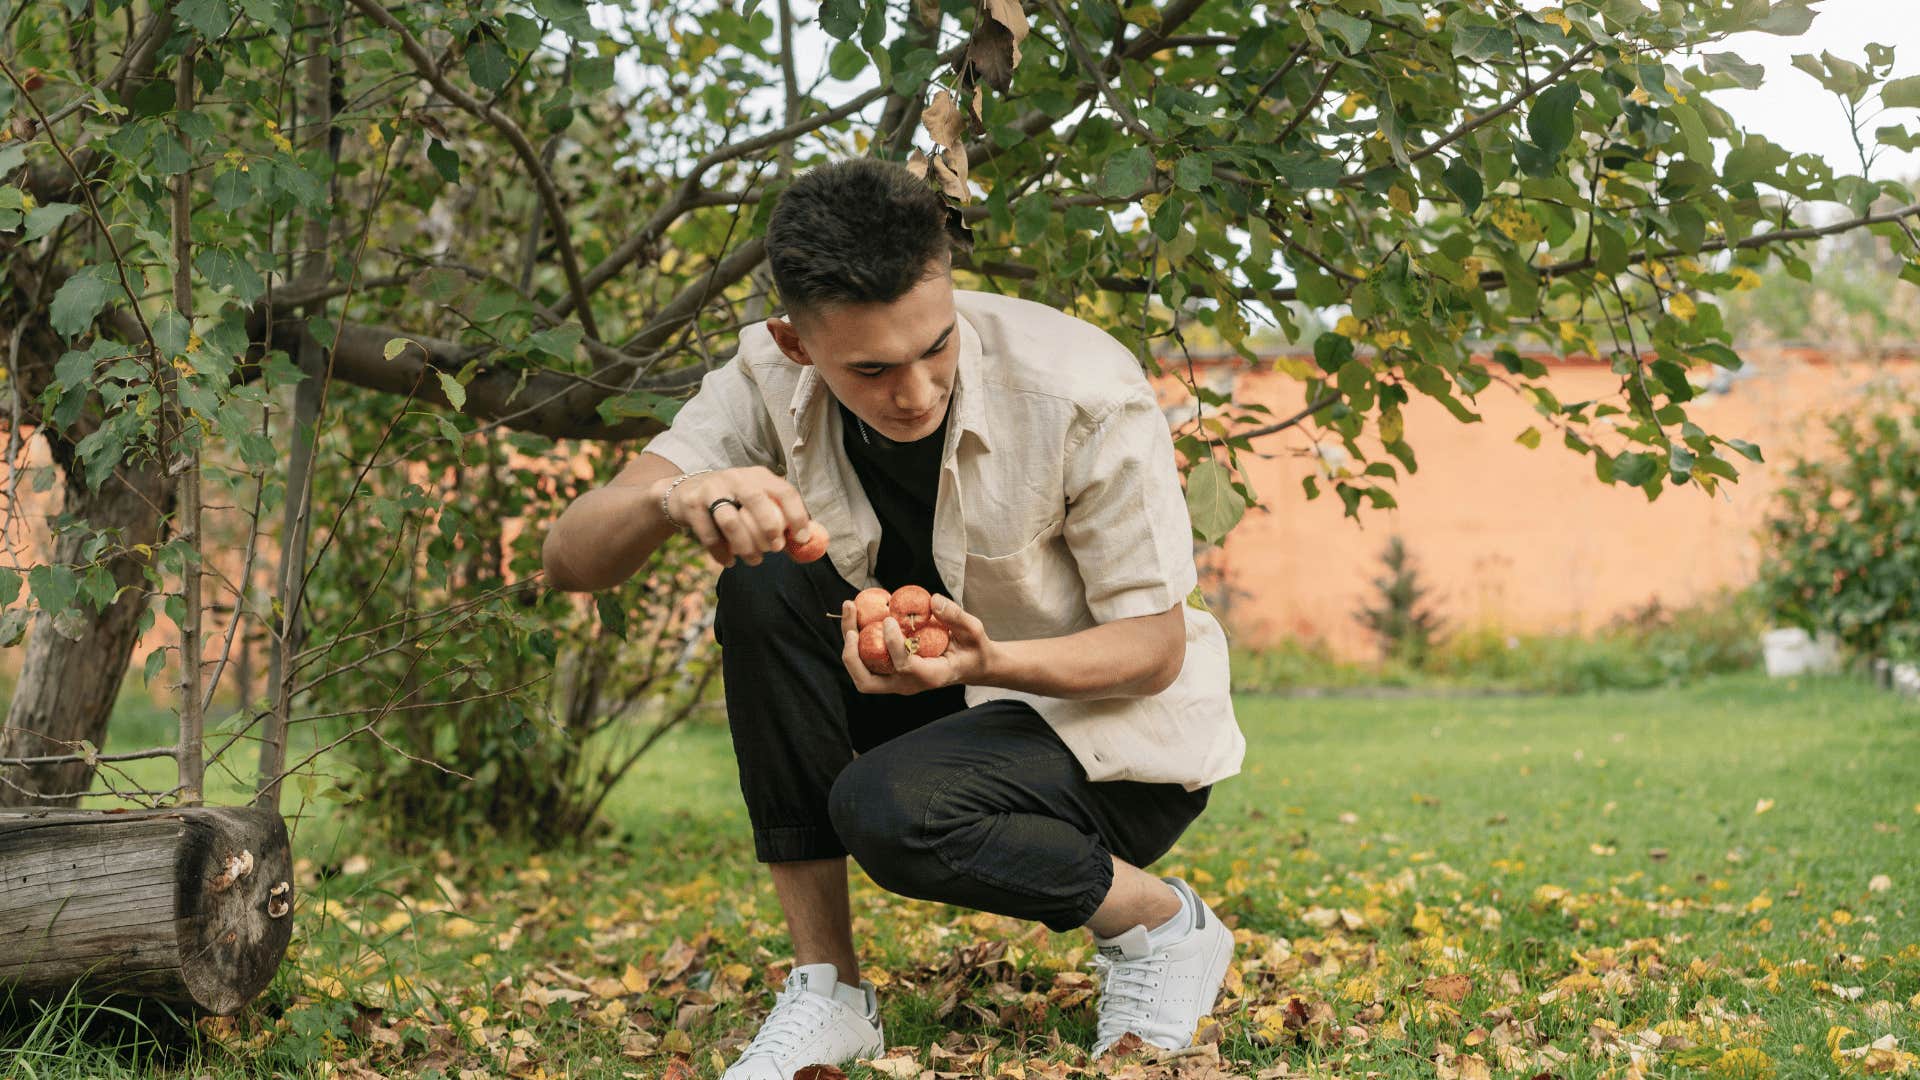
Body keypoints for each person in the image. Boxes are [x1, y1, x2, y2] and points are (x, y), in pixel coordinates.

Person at [542, 158, 1245, 1080]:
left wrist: (986, 660)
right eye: (871, 369)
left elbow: (1153, 652)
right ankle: (830, 994)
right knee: (760, 586)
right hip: (934, 715)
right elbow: (569, 558)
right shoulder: (763, 374)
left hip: (1111, 747)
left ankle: (1162, 927)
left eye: (937, 348)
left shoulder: (1082, 388)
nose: (914, 391)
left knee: (884, 810)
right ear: (798, 345)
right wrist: (679, 493)